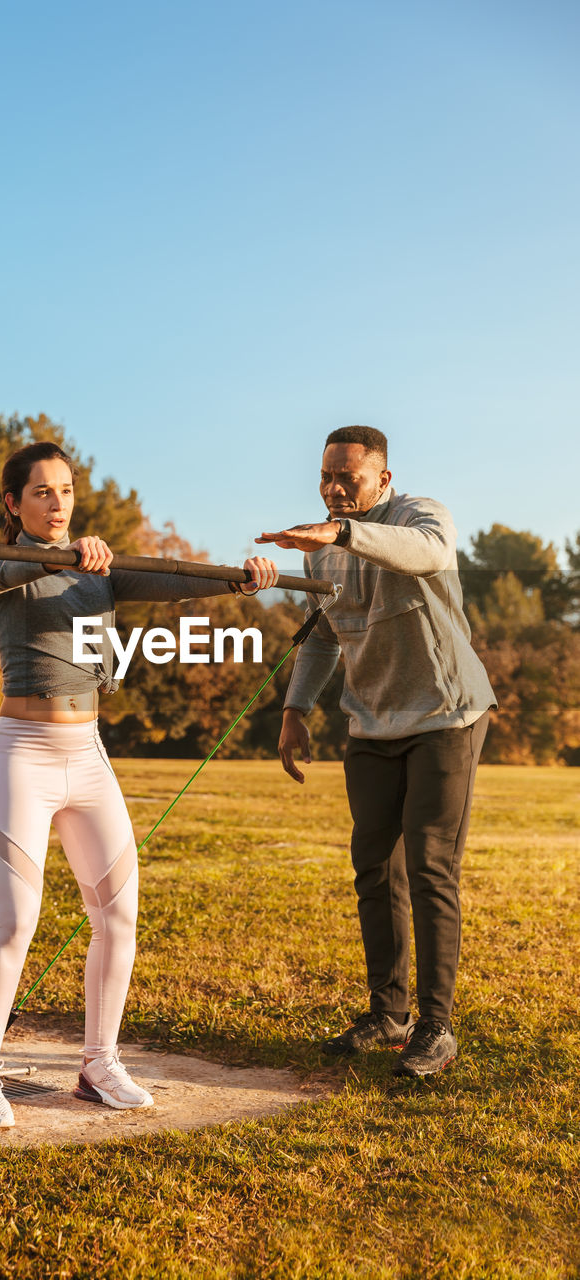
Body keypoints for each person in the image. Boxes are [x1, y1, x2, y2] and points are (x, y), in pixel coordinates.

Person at [0, 440, 279, 1127]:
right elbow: (8, 567)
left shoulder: (100, 571)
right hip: (21, 754)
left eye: (65, 490)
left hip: (87, 753)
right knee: (12, 923)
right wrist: (69, 555)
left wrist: (239, 580)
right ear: (14, 504)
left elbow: (173, 579)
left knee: (119, 916)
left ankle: (98, 1064)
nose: (56, 503)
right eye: (41, 492)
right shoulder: (3, 565)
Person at [256, 425, 495, 1077]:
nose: (334, 491)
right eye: (326, 479)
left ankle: (435, 1028)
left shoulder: (421, 516)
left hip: (445, 715)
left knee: (429, 867)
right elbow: (325, 636)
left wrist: (339, 533)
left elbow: (422, 552)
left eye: (348, 480)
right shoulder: (321, 551)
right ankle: (387, 1014)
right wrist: (294, 710)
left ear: (382, 480)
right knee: (374, 869)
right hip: (370, 725)